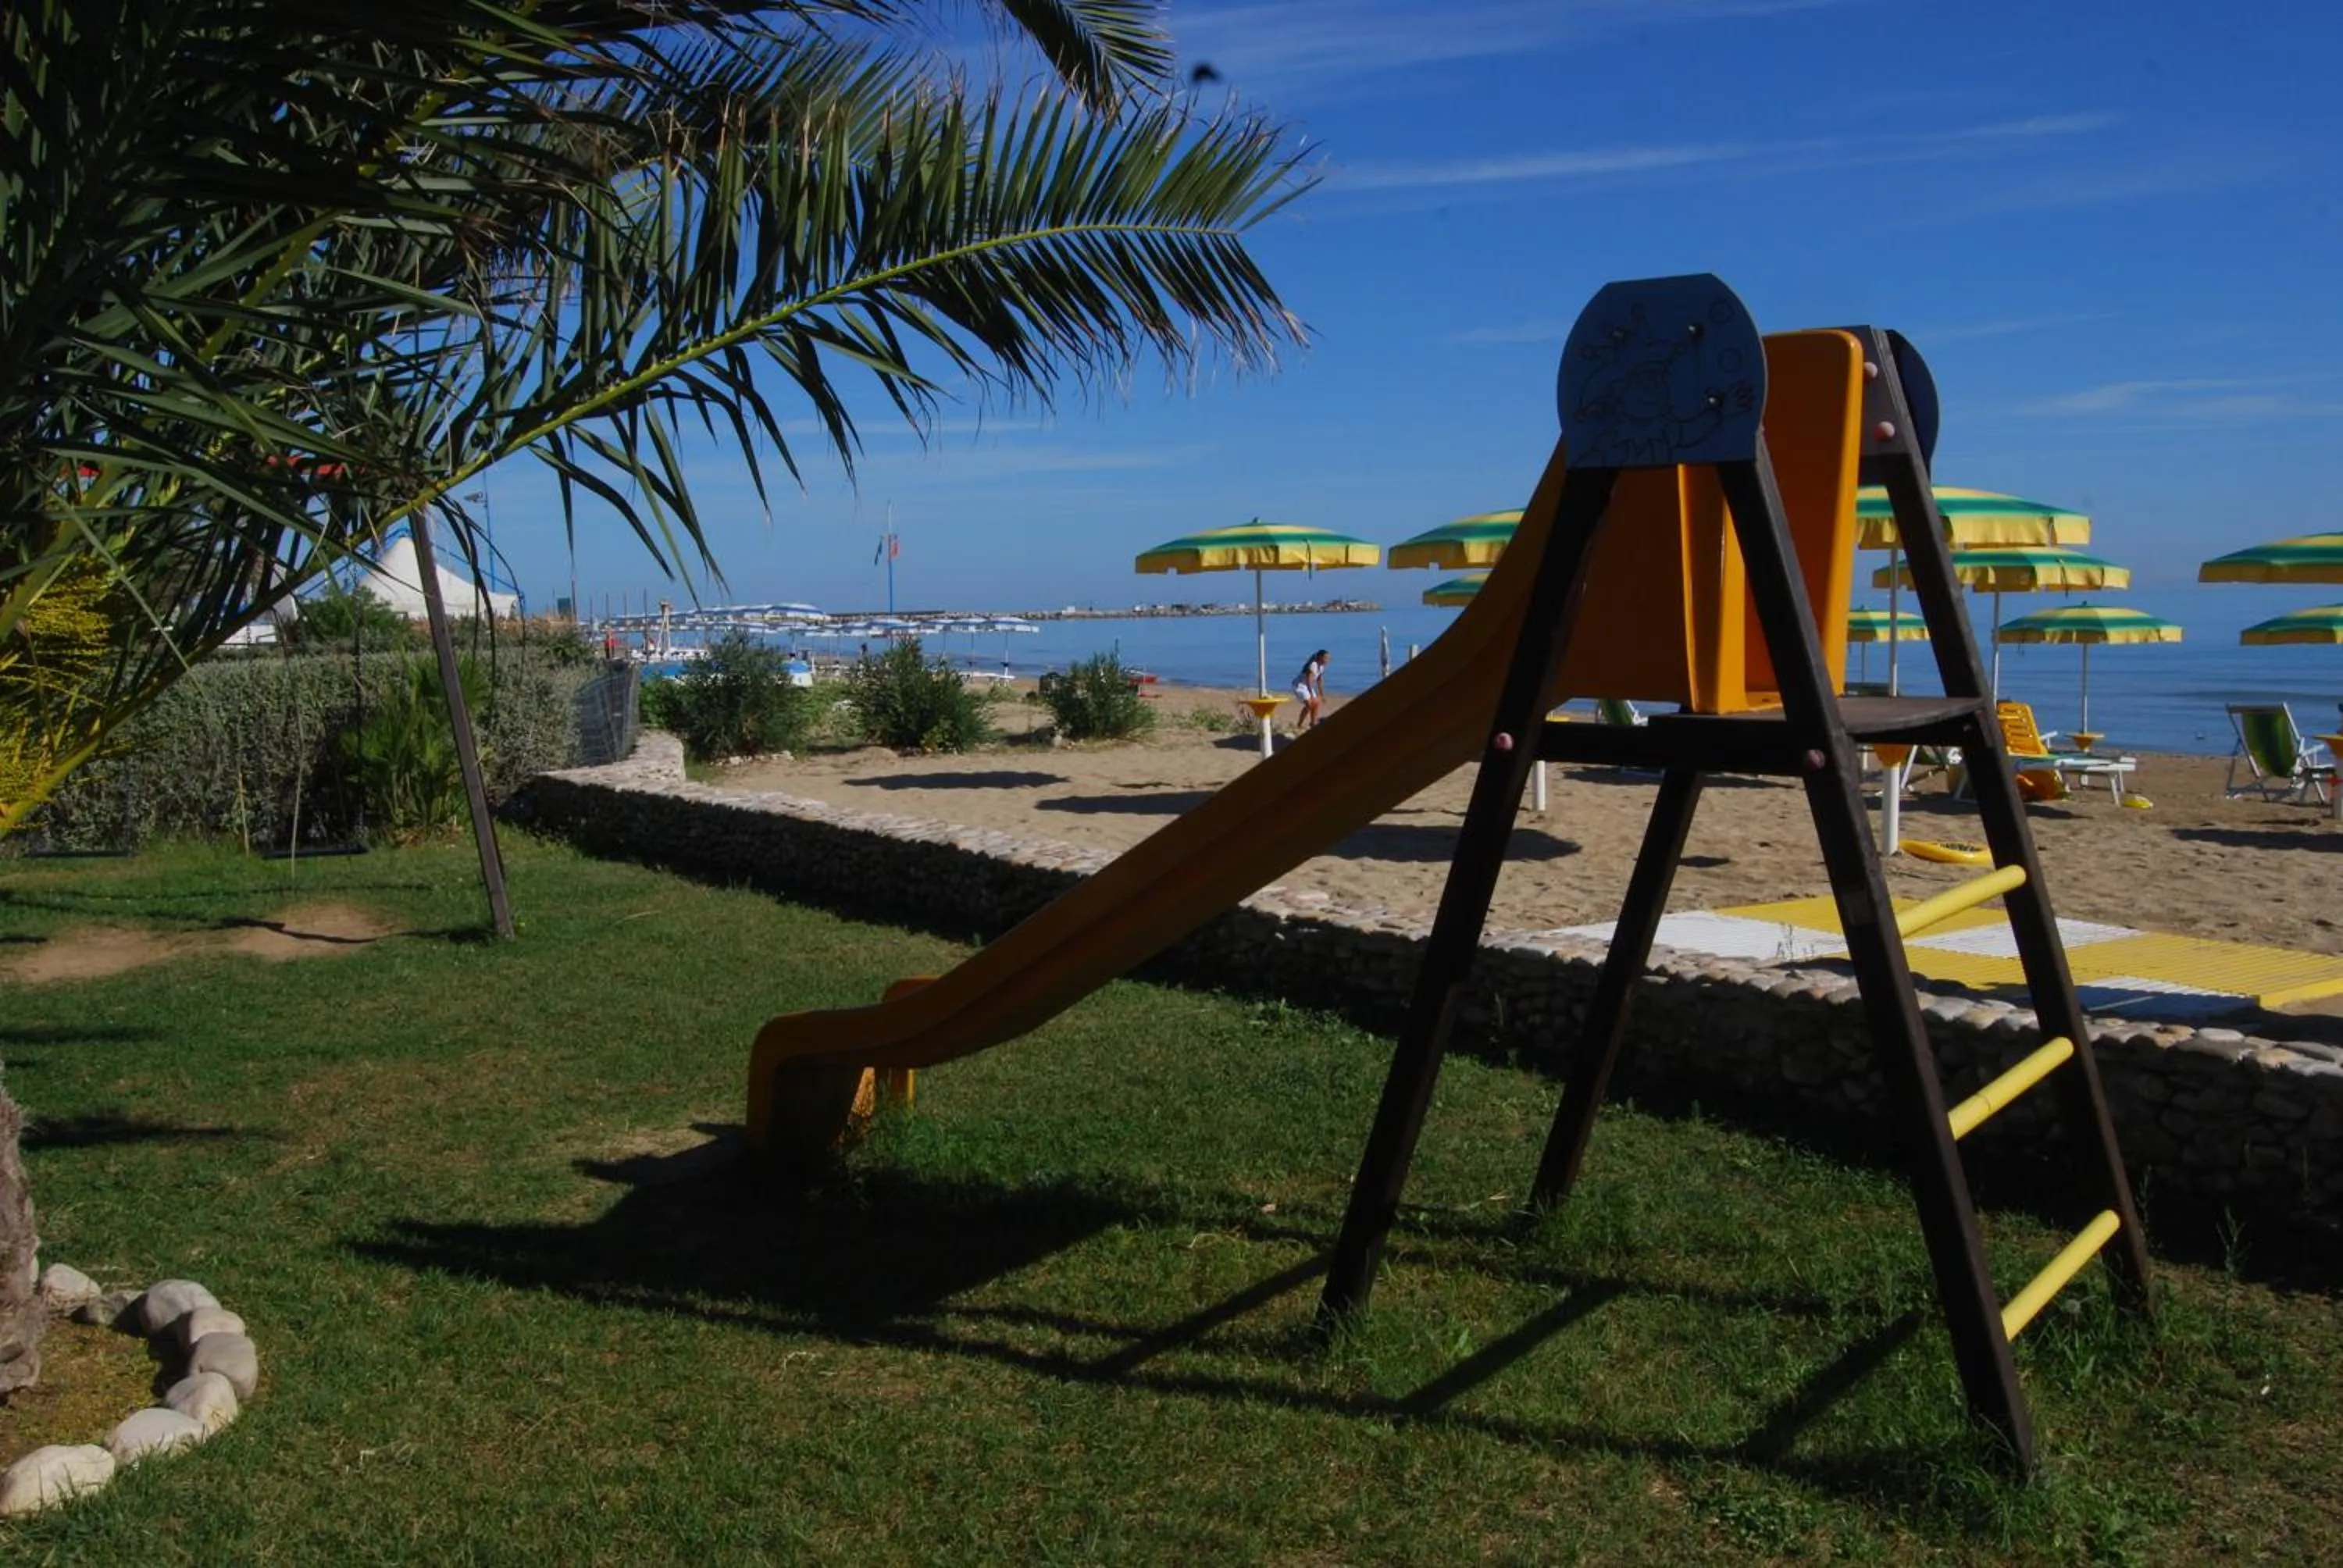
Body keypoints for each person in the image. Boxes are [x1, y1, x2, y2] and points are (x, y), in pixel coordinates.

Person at [1292, 649, 1329, 732]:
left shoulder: (1322, 667)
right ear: (1320, 657)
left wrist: (1322, 694)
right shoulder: (1313, 665)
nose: (1327, 660)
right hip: (1299, 685)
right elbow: (1309, 680)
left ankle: (1313, 723)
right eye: (1326, 658)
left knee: (1316, 703)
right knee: (1309, 704)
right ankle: (1299, 724)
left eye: (1328, 658)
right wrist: (1311, 694)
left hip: (1307, 686)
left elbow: (1319, 681)